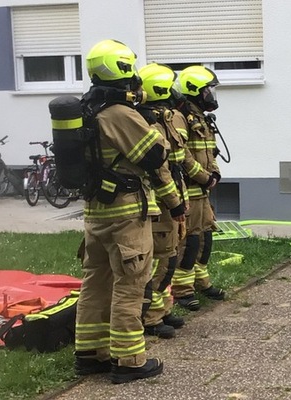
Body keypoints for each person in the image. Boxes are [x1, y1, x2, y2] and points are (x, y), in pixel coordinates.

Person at [72, 39, 184, 384]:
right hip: (125, 213)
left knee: (96, 281)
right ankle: (130, 360)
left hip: (96, 212)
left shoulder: (86, 110)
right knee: (130, 284)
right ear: (121, 68)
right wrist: (150, 123)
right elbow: (154, 155)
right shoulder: (119, 114)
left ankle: (89, 353)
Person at [136, 63, 191, 338]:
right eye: (170, 86)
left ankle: (162, 309)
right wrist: (174, 202)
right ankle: (150, 317)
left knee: (169, 258)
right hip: (161, 204)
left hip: (174, 198)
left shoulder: (166, 118)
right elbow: (160, 170)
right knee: (160, 261)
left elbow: (179, 159)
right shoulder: (151, 123)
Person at [170, 65, 225, 311]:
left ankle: (201, 281)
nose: (211, 96)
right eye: (207, 91)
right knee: (189, 242)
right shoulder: (179, 117)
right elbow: (181, 155)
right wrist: (203, 177)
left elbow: (210, 151)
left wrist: (214, 173)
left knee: (206, 239)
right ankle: (182, 290)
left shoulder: (201, 118)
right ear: (194, 91)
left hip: (203, 192)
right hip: (190, 191)